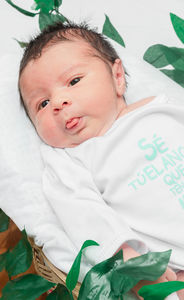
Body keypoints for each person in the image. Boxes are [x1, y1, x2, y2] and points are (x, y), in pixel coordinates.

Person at [18, 21, 184, 299]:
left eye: (73, 81)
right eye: (42, 104)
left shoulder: (160, 109)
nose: (58, 102)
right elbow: (85, 217)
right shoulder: (68, 161)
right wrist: (127, 259)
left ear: (117, 77)